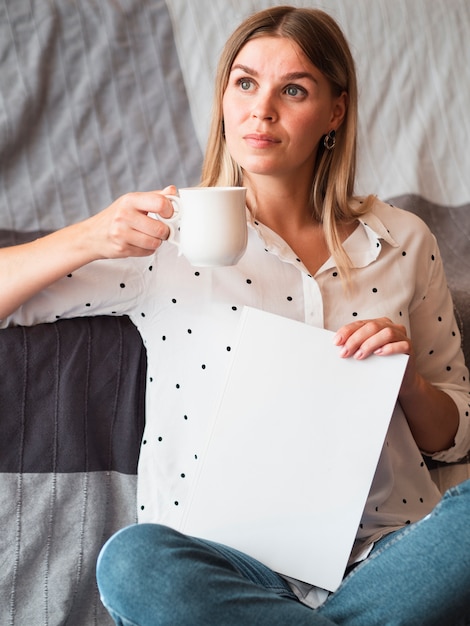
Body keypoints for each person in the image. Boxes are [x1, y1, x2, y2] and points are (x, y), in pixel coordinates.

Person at [1, 5, 470, 625]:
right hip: (222, 563)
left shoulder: (404, 240)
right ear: (224, 95)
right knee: (134, 563)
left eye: (293, 89)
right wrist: (90, 234)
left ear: (334, 112)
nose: (262, 109)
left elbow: (455, 433)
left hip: (386, 554)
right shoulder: (162, 239)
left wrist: (406, 381)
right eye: (245, 82)